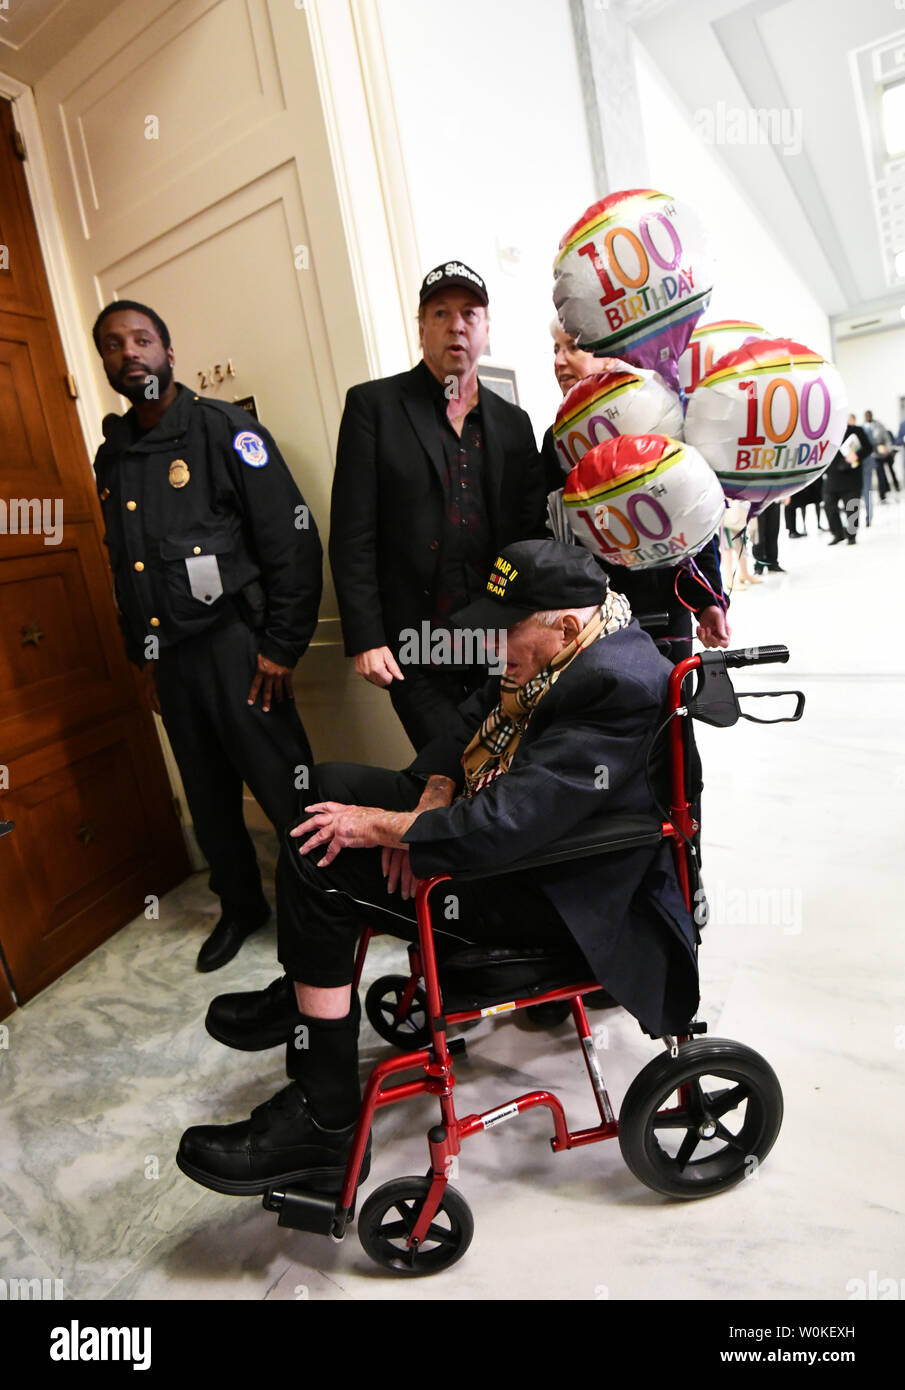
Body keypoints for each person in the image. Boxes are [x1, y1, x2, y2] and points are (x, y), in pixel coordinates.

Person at [176, 540, 699, 1195]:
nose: (492, 645)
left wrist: (386, 830)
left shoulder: (613, 685)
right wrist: (426, 802)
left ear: (563, 625)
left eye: (505, 629)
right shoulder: (558, 649)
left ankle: (325, 1123)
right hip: (507, 836)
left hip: (557, 897)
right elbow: (465, 727)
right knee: (322, 791)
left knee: (323, 856)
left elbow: (502, 827)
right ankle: (310, 989)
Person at [92, 300, 323, 971]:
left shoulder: (225, 430)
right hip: (170, 659)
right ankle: (241, 905)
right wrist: (142, 660)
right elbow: (124, 567)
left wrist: (282, 645)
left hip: (238, 648)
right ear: (105, 362)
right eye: (113, 344)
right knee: (207, 794)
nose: (129, 353)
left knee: (286, 787)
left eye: (141, 340)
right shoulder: (115, 458)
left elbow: (291, 541)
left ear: (168, 350)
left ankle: (325, 905)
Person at [329, 261, 546, 752]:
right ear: (421, 326)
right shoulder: (374, 407)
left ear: (486, 328)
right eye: (441, 312)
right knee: (451, 770)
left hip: (500, 641)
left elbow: (532, 536)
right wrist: (366, 637)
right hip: (416, 647)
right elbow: (351, 532)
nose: (457, 325)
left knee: (508, 768)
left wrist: (536, 624)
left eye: (470, 313)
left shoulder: (514, 423)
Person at [541, 323, 730, 664]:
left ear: (610, 356)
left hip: (665, 616)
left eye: (572, 347)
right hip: (593, 622)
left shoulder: (659, 415)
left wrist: (709, 601)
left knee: (672, 712)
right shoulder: (555, 439)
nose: (559, 360)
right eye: (555, 349)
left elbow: (696, 515)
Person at [823, 416, 871, 546]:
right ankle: (837, 534)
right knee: (829, 505)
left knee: (852, 507)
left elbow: (868, 448)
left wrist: (856, 455)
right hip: (832, 475)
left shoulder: (856, 431)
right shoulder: (827, 433)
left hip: (851, 476)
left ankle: (851, 535)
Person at [864, 410, 898, 501]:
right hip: (874, 454)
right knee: (880, 474)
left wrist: (888, 449)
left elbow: (886, 438)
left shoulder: (878, 426)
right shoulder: (864, 428)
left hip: (883, 452)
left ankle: (895, 488)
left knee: (890, 471)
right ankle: (882, 494)